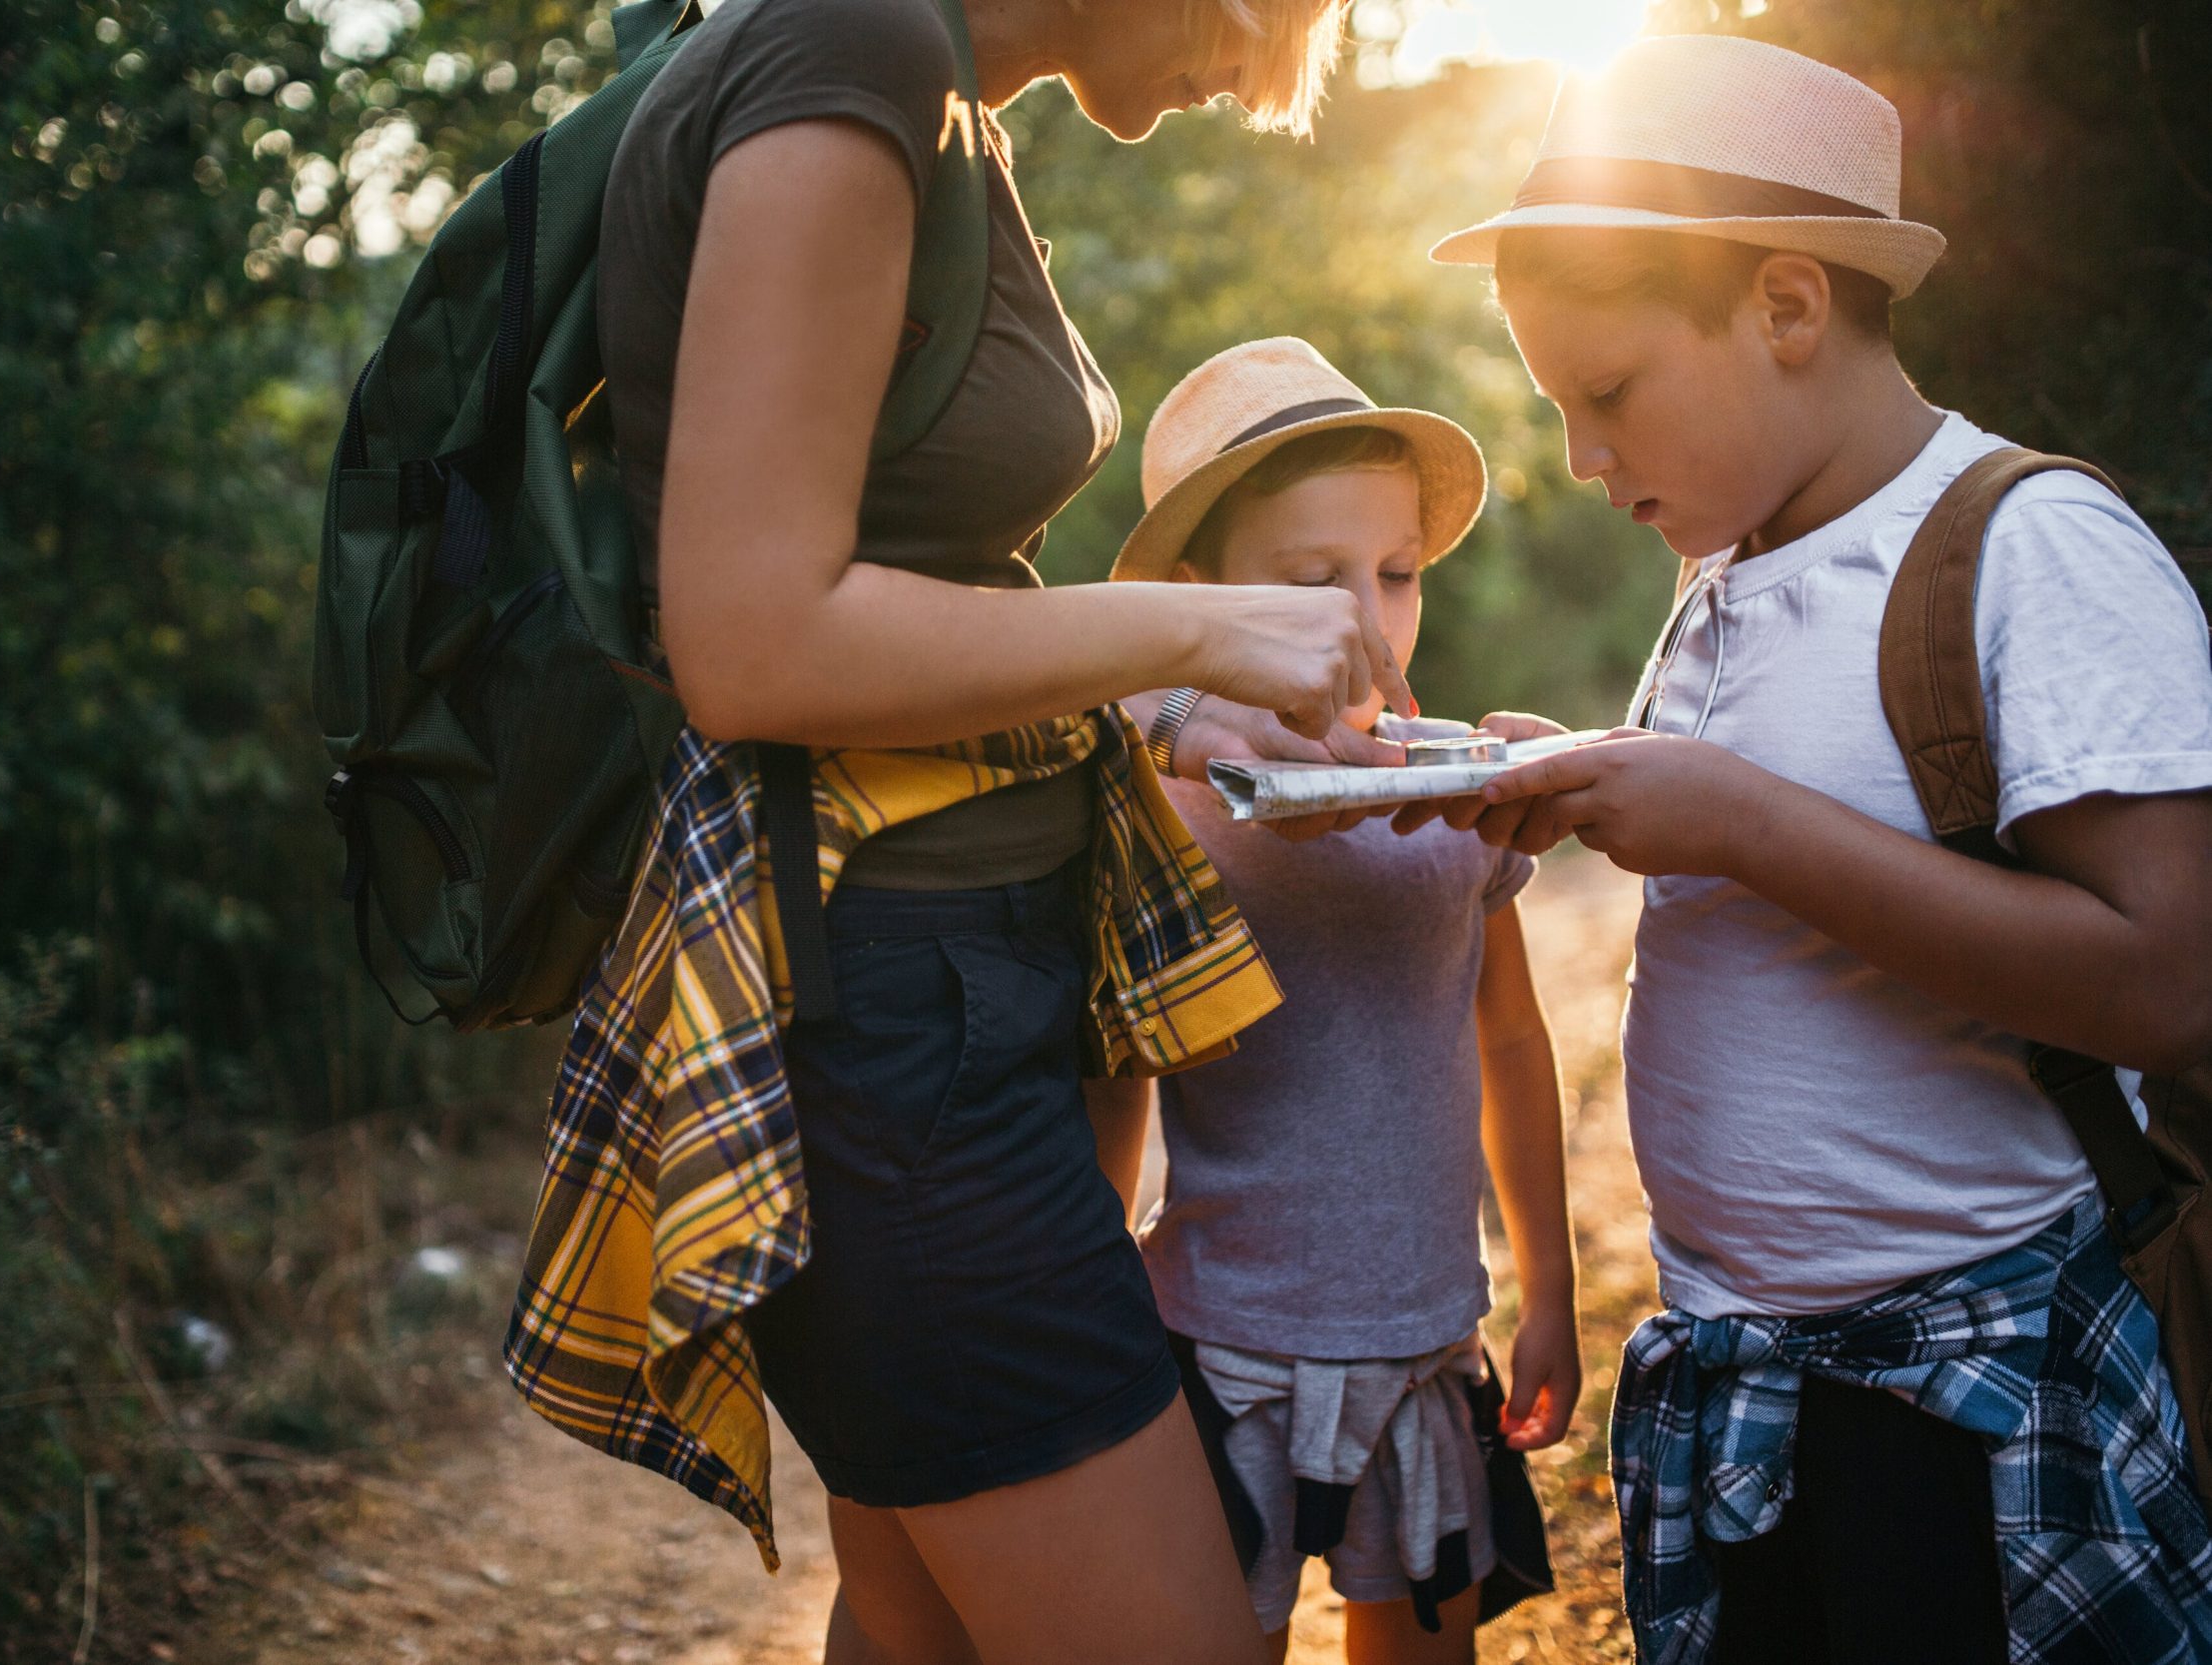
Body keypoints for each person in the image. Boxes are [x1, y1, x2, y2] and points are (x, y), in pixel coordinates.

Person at [557, 0, 1408, 1659]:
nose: (1251, 71)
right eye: (1264, 18)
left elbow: (912, 601)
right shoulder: (850, 49)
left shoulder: (934, 93)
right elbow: (752, 643)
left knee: (918, 1642)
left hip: (951, 998)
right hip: (890, 1041)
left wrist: (1165, 711)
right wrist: (1189, 631)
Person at [1411, 33, 2212, 1665]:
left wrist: (1741, 824)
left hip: (1968, 1410)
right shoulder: (1738, 559)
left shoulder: (2028, 548)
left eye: (1610, 396)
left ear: (1787, 307)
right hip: (1751, 1394)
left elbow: (2168, 980)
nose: (1582, 459)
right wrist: (1576, 777)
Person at [1107, 338, 1579, 1665]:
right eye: (1311, 581)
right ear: (1197, 598)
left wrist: (1547, 1280)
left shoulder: (1457, 793)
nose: (1367, 616)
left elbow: (1511, 1035)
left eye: (1397, 572)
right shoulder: (1164, 795)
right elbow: (1068, 700)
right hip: (1213, 1347)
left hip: (1428, 1345)